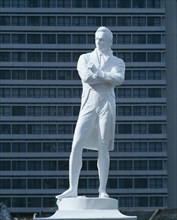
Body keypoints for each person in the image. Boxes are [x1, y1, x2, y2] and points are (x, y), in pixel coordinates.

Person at [56, 26, 125, 200]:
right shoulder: (85, 58)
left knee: (103, 146)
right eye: (96, 38)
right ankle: (73, 188)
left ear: (109, 40)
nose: (98, 42)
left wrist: (99, 73)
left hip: (106, 104)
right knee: (76, 143)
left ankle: (102, 189)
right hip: (88, 103)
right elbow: (87, 77)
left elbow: (119, 79)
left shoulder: (118, 61)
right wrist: (106, 77)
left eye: (101, 39)